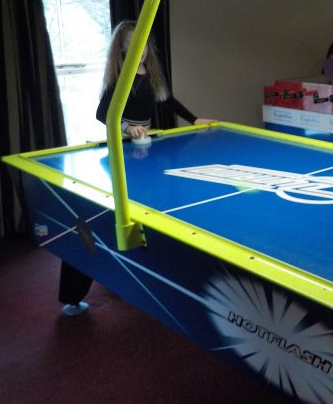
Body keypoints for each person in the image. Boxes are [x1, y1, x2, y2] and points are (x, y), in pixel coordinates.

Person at [59, 20, 216, 316]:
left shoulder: (152, 74)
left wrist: (194, 120)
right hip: (121, 149)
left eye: (142, 44)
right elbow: (102, 113)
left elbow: (167, 101)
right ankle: (79, 285)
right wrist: (127, 128)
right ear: (121, 48)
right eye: (131, 45)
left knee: (150, 205)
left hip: (146, 150)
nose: (139, 51)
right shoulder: (121, 77)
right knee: (107, 212)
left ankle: (148, 266)